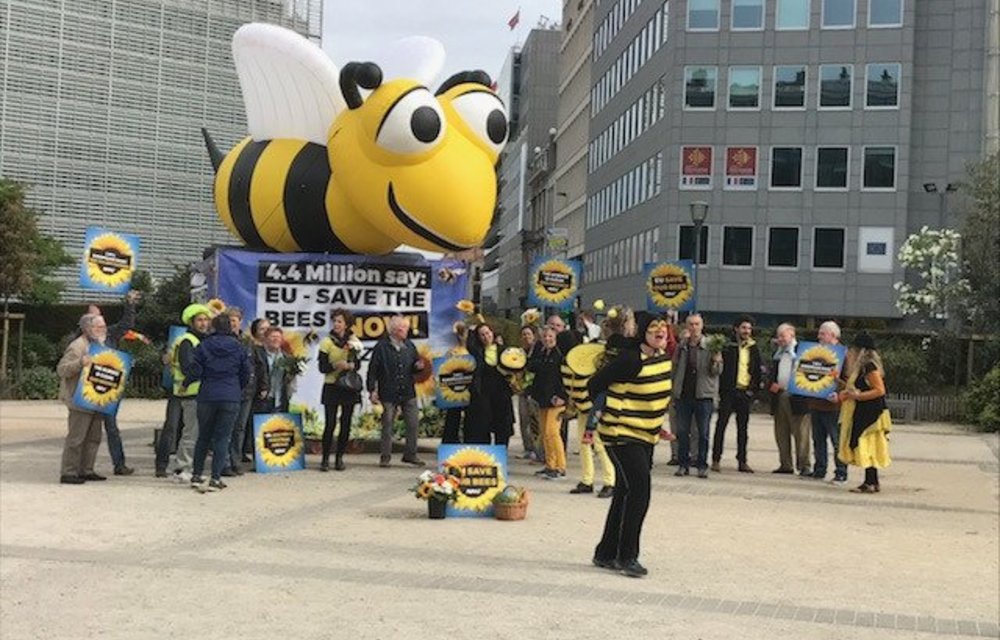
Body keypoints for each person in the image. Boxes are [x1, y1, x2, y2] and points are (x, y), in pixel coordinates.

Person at [587, 311, 673, 578]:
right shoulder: (630, 359)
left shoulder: (662, 358)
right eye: (654, 329)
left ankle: (606, 552)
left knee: (625, 491)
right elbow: (595, 384)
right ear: (642, 332)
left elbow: (653, 397)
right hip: (620, 434)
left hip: (645, 435)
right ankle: (627, 556)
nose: (660, 333)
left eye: (664, 329)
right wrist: (611, 411)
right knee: (640, 491)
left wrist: (656, 425)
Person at [183, 312, 250, 491]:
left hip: (207, 395)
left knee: (203, 437)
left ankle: (196, 476)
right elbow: (245, 373)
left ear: (213, 327)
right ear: (229, 327)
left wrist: (185, 383)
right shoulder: (239, 347)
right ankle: (215, 478)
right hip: (230, 395)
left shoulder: (204, 345)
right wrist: (237, 387)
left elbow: (195, 370)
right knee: (222, 439)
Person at [86, 290, 141, 476]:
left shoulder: (111, 334)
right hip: (89, 390)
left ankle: (119, 464)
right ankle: (84, 467)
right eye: (92, 319)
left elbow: (127, 324)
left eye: (98, 318)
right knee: (88, 430)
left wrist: (130, 304)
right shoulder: (82, 340)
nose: (97, 323)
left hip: (110, 390)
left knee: (111, 427)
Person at [157, 303, 212, 482]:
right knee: (190, 433)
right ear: (191, 322)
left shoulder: (199, 340)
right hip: (190, 392)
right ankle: (182, 469)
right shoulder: (188, 341)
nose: (204, 323)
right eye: (200, 320)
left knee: (195, 433)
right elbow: (189, 367)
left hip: (199, 392)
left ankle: (190, 468)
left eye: (206, 320)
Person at [563, 323, 616, 499]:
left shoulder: (593, 360)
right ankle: (587, 480)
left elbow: (600, 386)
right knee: (583, 444)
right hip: (582, 410)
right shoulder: (564, 363)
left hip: (597, 410)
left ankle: (610, 482)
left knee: (600, 446)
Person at [56, 314, 111, 484]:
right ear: (87, 328)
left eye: (104, 327)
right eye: (99, 327)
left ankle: (86, 469)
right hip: (78, 398)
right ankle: (69, 472)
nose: (103, 330)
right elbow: (62, 370)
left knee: (94, 437)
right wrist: (80, 362)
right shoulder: (77, 346)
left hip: (95, 398)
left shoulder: (100, 345)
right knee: (77, 438)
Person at [836, 333, 892, 493]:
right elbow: (857, 386)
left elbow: (880, 390)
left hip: (872, 412)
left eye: (853, 348)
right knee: (868, 446)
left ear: (860, 350)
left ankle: (870, 482)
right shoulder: (861, 368)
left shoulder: (869, 367)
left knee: (866, 445)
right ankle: (872, 481)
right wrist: (841, 384)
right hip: (863, 410)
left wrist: (857, 396)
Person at [367, 315, 425, 467]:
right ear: (393, 330)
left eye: (406, 328)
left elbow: (414, 365)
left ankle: (410, 454)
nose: (406, 331)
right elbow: (372, 370)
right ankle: (385, 456)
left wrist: (418, 367)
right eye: (402, 328)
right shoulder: (381, 346)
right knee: (387, 424)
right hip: (388, 391)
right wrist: (372, 389)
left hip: (407, 391)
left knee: (413, 423)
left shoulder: (410, 345)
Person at [672, 313, 723, 479]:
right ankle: (683, 464)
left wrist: (716, 360)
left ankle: (701, 464)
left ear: (702, 326)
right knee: (682, 431)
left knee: (703, 433)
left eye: (697, 324)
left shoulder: (711, 345)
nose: (694, 328)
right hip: (684, 395)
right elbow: (674, 368)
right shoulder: (682, 346)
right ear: (686, 326)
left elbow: (717, 372)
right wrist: (673, 391)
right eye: (691, 324)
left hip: (703, 395)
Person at [711, 315, 762, 473]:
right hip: (728, 392)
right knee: (721, 425)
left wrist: (752, 391)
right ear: (736, 329)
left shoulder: (753, 348)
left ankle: (742, 460)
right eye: (743, 328)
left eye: (748, 328)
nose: (746, 331)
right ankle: (716, 459)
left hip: (744, 392)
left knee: (743, 429)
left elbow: (758, 370)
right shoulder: (727, 346)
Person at [318, 309, 364, 471]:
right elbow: (322, 367)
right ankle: (325, 459)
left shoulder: (354, 341)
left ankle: (339, 458)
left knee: (346, 423)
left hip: (348, 387)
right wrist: (335, 365)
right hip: (332, 386)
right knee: (330, 423)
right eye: (335, 321)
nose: (336, 324)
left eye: (340, 321)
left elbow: (357, 364)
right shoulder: (326, 342)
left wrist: (351, 365)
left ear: (346, 324)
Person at [807, 321, 849, 483]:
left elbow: (848, 381)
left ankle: (841, 472)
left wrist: (839, 393)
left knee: (836, 440)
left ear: (833, 335)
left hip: (835, 406)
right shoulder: (814, 353)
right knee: (818, 439)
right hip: (816, 403)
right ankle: (819, 469)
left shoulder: (844, 355)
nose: (818, 336)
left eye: (822, 333)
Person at [768, 323, 811, 476]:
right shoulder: (778, 353)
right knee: (781, 432)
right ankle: (785, 464)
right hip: (780, 396)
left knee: (801, 434)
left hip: (797, 397)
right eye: (778, 336)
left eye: (783, 336)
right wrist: (772, 385)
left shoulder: (802, 351)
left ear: (792, 335)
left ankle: (804, 465)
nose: (780, 339)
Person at [527, 325, 568, 479]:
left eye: (550, 336)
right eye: (545, 337)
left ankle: (561, 466)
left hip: (556, 401)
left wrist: (562, 396)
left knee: (553, 433)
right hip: (543, 399)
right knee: (545, 434)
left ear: (555, 337)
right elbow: (532, 368)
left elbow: (565, 378)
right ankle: (550, 465)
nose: (547, 339)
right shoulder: (542, 354)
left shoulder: (559, 356)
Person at [465, 321, 515, 447]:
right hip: (483, 392)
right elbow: (469, 344)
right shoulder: (477, 351)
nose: (486, 337)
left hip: (501, 392)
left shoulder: (504, 350)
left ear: (492, 333)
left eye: (487, 333)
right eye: (482, 335)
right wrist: (471, 330)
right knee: (482, 424)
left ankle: (501, 451)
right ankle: (485, 452)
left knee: (502, 425)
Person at [223, 307, 255, 477]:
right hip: (229, 390)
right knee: (227, 428)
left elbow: (252, 366)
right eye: (230, 320)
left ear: (240, 321)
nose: (233, 323)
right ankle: (225, 461)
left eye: (235, 320)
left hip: (246, 391)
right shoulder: (222, 339)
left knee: (240, 429)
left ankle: (236, 460)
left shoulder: (247, 340)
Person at [441, 322, 470, 445]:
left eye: (464, 333)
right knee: (453, 416)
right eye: (460, 333)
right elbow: (444, 369)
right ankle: (450, 442)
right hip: (455, 388)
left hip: (471, 388)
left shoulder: (473, 349)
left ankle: (470, 442)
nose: (462, 336)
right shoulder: (452, 351)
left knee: (471, 417)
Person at [515, 325, 542, 459]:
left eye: (529, 334)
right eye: (524, 334)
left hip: (535, 390)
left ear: (534, 336)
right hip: (522, 390)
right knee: (523, 420)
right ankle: (528, 448)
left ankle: (537, 450)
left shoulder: (538, 349)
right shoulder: (519, 352)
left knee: (535, 422)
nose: (526, 337)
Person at [254, 327, 293, 414]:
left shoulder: (287, 357)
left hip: (280, 400)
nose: (276, 339)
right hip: (262, 399)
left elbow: (288, 379)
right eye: (273, 336)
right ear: (266, 338)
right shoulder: (257, 354)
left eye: (278, 337)